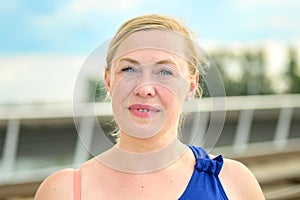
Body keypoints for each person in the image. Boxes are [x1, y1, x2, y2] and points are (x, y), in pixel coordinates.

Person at [34, 14, 265, 200]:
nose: (144, 88)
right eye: (128, 69)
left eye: (165, 71)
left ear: (191, 85)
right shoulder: (63, 191)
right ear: (108, 81)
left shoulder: (234, 183)